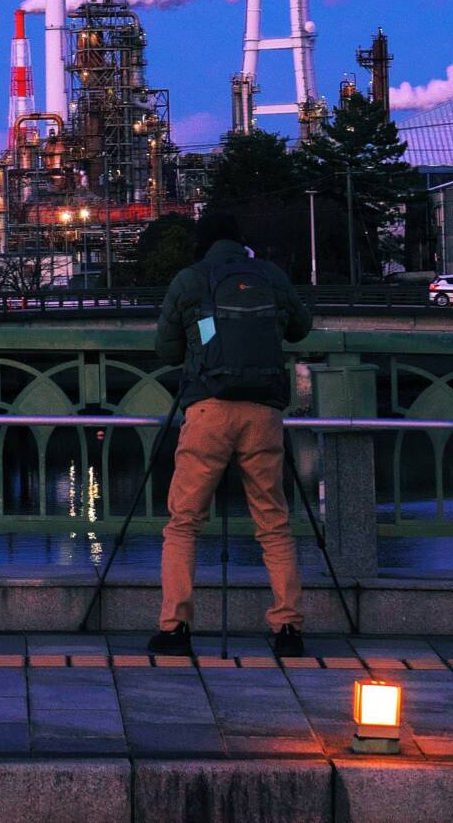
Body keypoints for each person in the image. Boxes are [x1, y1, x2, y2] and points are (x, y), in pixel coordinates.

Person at [149, 208, 314, 659]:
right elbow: (301, 328)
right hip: (263, 411)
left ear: (201, 242)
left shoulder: (190, 279)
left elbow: (165, 350)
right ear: (240, 241)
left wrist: (202, 333)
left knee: (184, 523)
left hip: (207, 409)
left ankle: (175, 627)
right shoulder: (270, 275)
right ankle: (287, 629)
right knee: (273, 522)